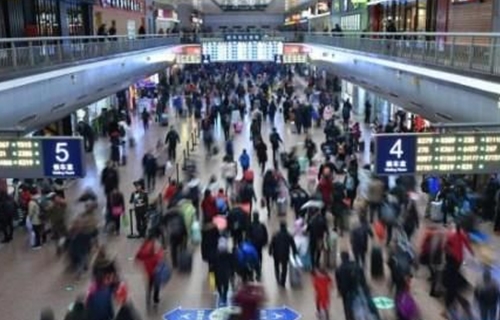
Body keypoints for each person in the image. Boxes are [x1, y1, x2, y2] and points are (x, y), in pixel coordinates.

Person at [336, 251, 367, 320]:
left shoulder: (339, 269)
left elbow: (339, 282)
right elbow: (362, 277)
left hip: (345, 291)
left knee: (347, 307)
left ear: (341, 258)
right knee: (358, 304)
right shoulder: (355, 265)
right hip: (355, 289)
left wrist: (339, 291)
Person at [135, 233, 163, 306]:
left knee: (150, 284)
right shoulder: (154, 246)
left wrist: (137, 260)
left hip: (148, 269)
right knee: (157, 284)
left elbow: (139, 255)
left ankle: (148, 298)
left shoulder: (144, 246)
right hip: (156, 269)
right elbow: (158, 257)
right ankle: (155, 299)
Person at [269, 222, 298, 287]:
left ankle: (277, 278)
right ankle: (283, 281)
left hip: (276, 254)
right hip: (285, 254)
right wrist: (294, 253)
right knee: (284, 268)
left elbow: (271, 244)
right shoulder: (289, 235)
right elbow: (293, 245)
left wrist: (270, 252)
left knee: (276, 267)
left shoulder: (275, 235)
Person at [213, 237, 234, 306]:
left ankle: (222, 294)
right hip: (226, 272)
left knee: (219, 284)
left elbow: (212, 265)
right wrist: (232, 273)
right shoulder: (229, 255)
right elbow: (232, 264)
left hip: (218, 272)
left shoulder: (215, 255)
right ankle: (224, 295)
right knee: (225, 284)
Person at [247, 212, 269, 280]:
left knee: (251, 259)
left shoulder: (250, 225)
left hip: (252, 245)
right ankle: (258, 273)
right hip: (259, 245)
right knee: (259, 258)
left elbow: (247, 236)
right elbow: (266, 235)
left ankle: (251, 274)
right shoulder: (262, 225)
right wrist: (265, 243)